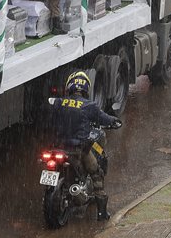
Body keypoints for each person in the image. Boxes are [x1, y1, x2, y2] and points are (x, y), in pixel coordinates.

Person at [45, 70, 122, 220]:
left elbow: (47, 113)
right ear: (86, 88)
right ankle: (102, 213)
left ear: (69, 86)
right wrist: (115, 121)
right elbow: (105, 118)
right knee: (96, 174)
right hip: (78, 150)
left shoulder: (59, 102)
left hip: (58, 147)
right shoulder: (90, 106)